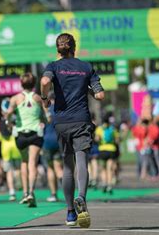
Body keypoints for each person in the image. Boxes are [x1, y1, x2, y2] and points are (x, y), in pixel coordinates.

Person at [40, 33, 104, 228]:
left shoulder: (53, 66)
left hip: (61, 122)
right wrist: (90, 90)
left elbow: (44, 82)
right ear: (74, 47)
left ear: (57, 49)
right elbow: (100, 95)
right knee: (82, 160)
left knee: (67, 166)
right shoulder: (86, 67)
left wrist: (45, 98)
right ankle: (82, 197)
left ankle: (69, 213)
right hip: (81, 120)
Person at [5, 72, 48, 208]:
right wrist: (43, 121)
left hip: (21, 134)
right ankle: (31, 192)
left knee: (24, 162)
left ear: (21, 83)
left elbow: (8, 114)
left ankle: (24, 193)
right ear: (34, 83)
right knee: (32, 163)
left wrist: (9, 123)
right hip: (35, 133)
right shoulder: (38, 97)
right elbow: (47, 116)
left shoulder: (15, 98)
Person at [42, 94, 63, 202]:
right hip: (59, 140)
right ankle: (67, 189)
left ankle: (54, 194)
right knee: (59, 168)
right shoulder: (61, 110)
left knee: (50, 168)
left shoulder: (46, 111)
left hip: (47, 142)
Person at [96, 114, 120, 194]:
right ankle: (109, 185)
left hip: (102, 150)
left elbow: (97, 138)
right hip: (111, 150)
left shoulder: (99, 129)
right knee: (110, 168)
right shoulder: (113, 129)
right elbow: (117, 140)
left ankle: (104, 183)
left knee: (103, 168)